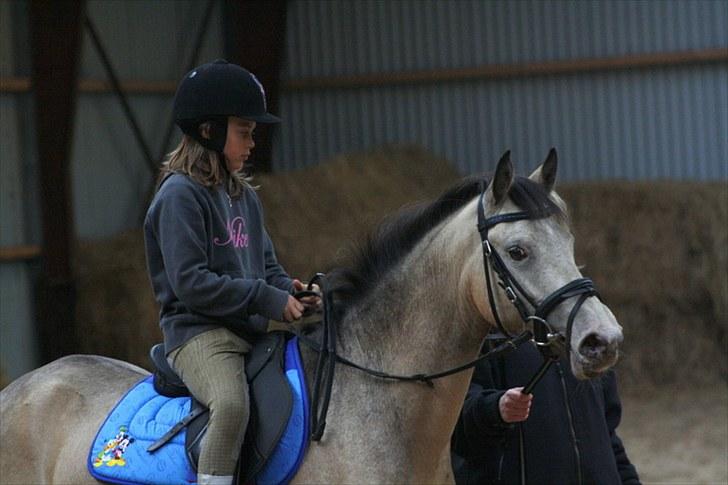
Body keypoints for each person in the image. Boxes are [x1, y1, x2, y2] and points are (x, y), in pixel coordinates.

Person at [144, 59, 316, 485]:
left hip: (250, 334)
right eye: (244, 132)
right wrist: (265, 298)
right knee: (232, 405)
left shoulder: (244, 197)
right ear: (209, 131)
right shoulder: (179, 197)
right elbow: (191, 284)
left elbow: (268, 269)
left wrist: (291, 291)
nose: (253, 143)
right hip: (200, 335)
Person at [451, 333, 640, 485]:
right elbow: (454, 428)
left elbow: (606, 437)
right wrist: (495, 409)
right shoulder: (481, 333)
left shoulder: (584, 335)